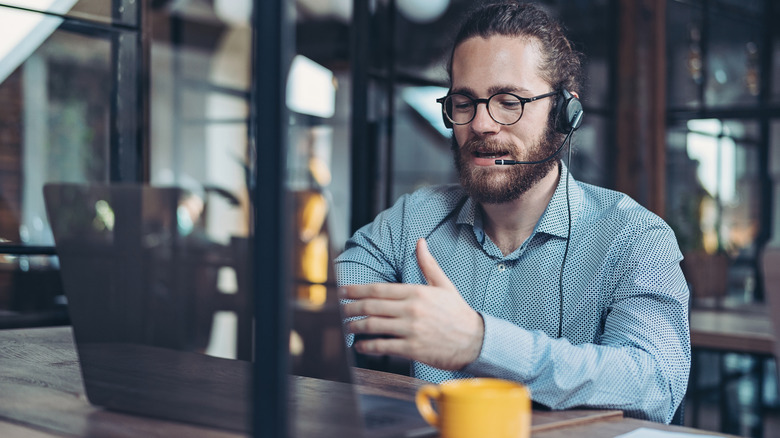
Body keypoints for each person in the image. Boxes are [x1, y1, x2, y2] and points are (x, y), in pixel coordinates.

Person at [335, 1, 689, 424]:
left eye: (508, 101)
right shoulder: (413, 220)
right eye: (465, 102)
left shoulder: (635, 237)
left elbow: (653, 385)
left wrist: (480, 342)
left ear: (564, 113)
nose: (482, 124)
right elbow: (323, 306)